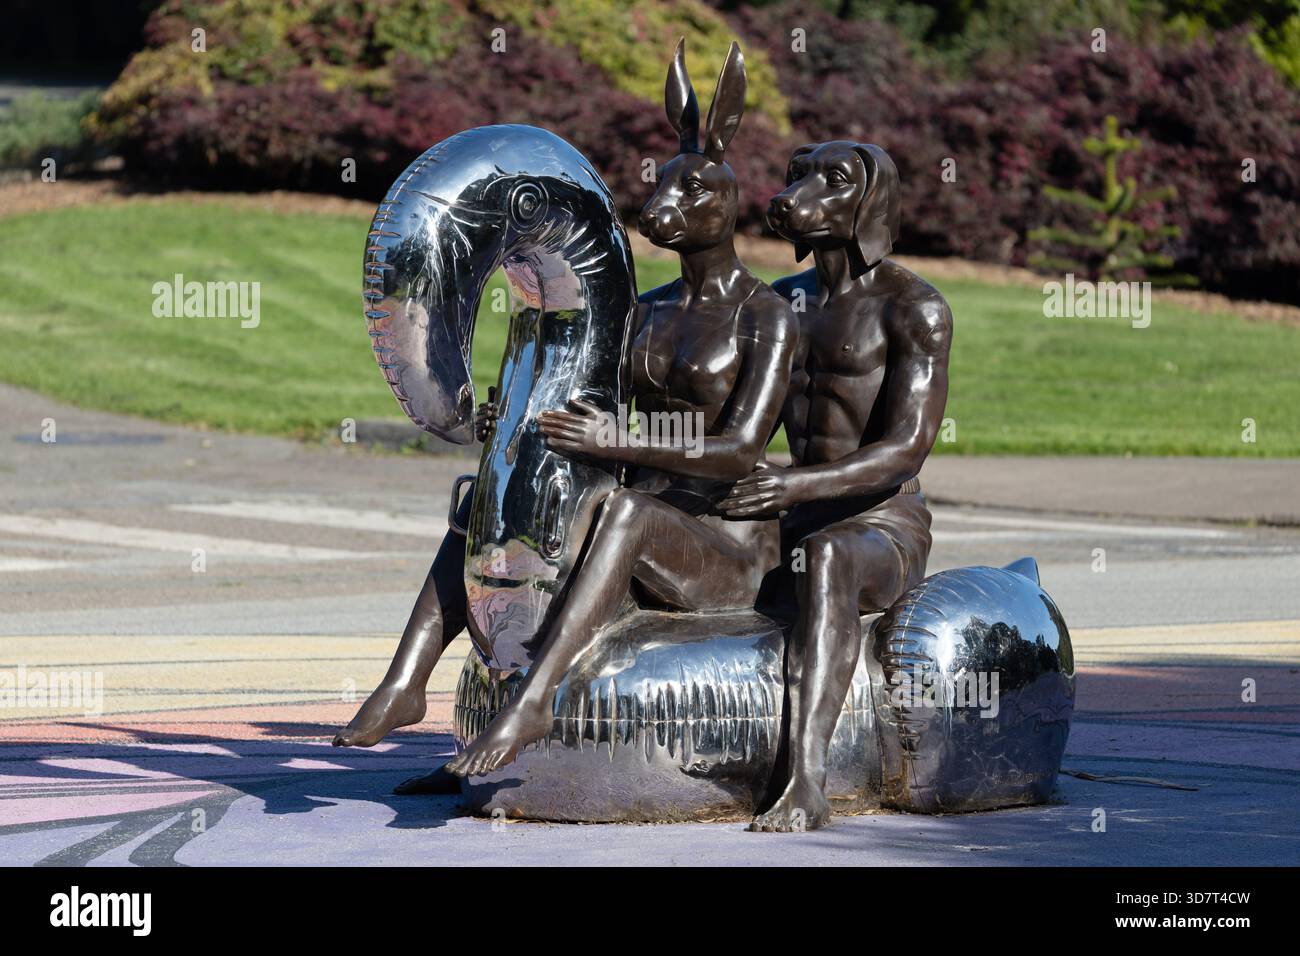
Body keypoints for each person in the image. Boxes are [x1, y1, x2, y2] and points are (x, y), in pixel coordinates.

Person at [444, 41, 797, 777]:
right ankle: (405, 680)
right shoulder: (645, 310)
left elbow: (736, 451)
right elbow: (587, 410)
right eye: (665, 187)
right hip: (638, 519)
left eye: (693, 191)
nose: (665, 204)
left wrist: (623, 443)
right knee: (483, 499)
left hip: (727, 551)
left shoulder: (767, 315)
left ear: (727, 202)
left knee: (626, 514)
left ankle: (535, 699)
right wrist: (511, 426)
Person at [719, 141, 953, 831]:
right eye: (798, 179)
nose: (802, 193)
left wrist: (795, 489)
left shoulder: (915, 308)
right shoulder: (776, 305)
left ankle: (806, 782)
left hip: (880, 526)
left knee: (828, 556)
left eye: (832, 181)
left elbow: (906, 448)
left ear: (870, 205)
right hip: (787, 511)